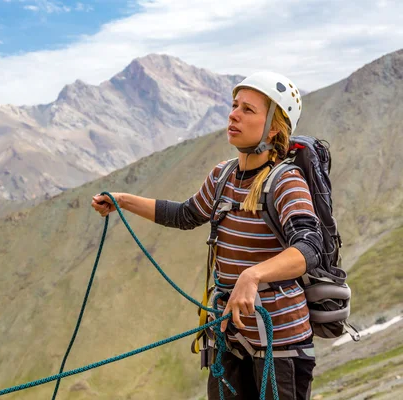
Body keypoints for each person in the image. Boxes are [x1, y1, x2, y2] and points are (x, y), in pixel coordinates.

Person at [91, 72, 322, 400]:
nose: (233, 115)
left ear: (274, 127)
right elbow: (185, 215)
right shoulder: (222, 176)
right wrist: (122, 201)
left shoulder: (287, 182)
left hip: (280, 345)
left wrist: (252, 276)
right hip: (230, 337)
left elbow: (309, 247)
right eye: (233, 106)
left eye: (248, 109)